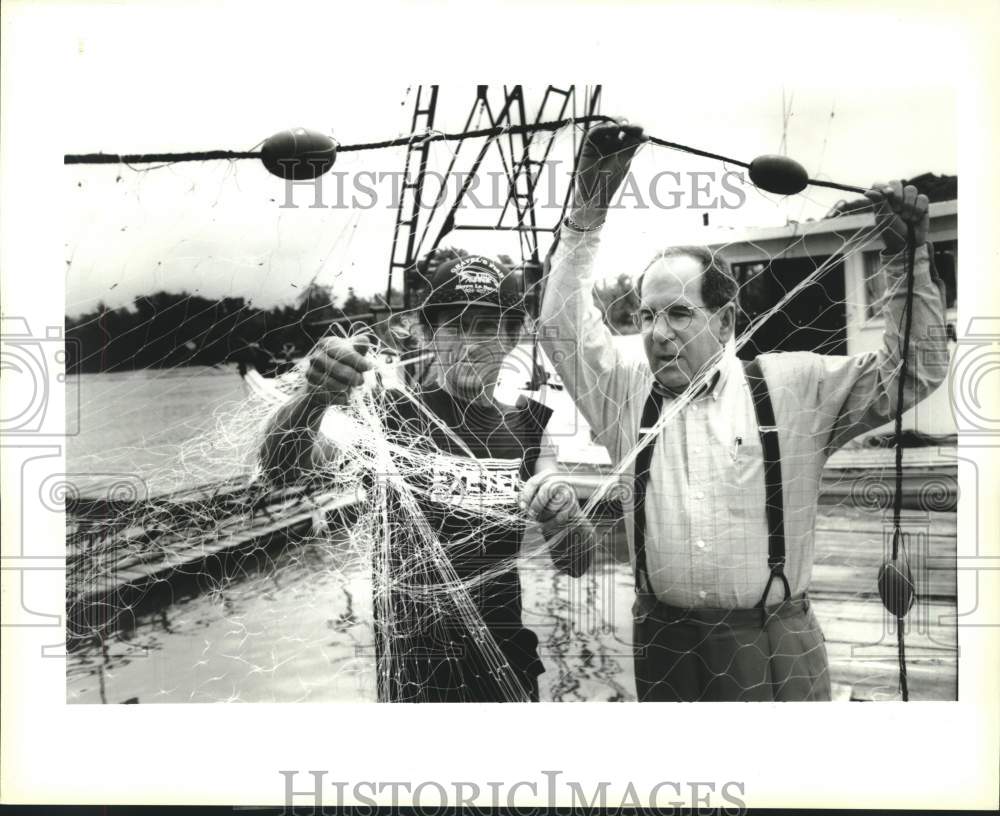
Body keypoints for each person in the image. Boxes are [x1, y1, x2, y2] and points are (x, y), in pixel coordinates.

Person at [539, 123, 949, 701]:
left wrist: (909, 257)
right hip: (664, 647)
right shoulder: (623, 395)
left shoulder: (794, 386)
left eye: (679, 314)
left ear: (726, 322)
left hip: (775, 645)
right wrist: (587, 206)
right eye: (648, 315)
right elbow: (559, 325)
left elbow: (912, 371)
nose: (657, 333)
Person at [260, 252, 595, 703]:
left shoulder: (529, 427)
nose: (472, 344)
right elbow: (281, 468)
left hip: (508, 668)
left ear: (514, 336)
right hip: (415, 677)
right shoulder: (388, 418)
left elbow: (575, 563)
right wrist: (313, 398)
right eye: (455, 326)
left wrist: (566, 514)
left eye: (488, 327)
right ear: (426, 334)